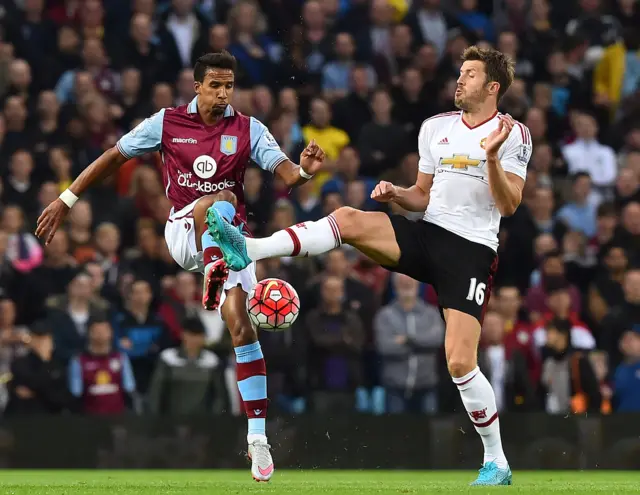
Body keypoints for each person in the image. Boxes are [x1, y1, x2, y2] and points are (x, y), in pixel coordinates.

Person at [210, 45, 532, 486]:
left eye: (470, 75)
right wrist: (397, 194)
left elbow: (509, 203)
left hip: (471, 250)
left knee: (459, 362)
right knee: (348, 218)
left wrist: (492, 157)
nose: (459, 80)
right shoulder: (435, 128)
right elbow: (423, 195)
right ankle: (253, 248)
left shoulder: (513, 134)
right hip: (427, 234)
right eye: (460, 73)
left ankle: (496, 461)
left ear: (493, 87)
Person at [35, 50, 326, 482]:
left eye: (229, 85)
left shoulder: (249, 129)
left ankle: (257, 440)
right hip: (182, 231)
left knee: (243, 329)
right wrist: (67, 197)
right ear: (197, 85)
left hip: (229, 240)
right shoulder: (167, 122)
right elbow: (115, 155)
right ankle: (213, 268)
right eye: (215, 85)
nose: (223, 93)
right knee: (221, 200)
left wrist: (304, 173)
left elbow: (287, 175)